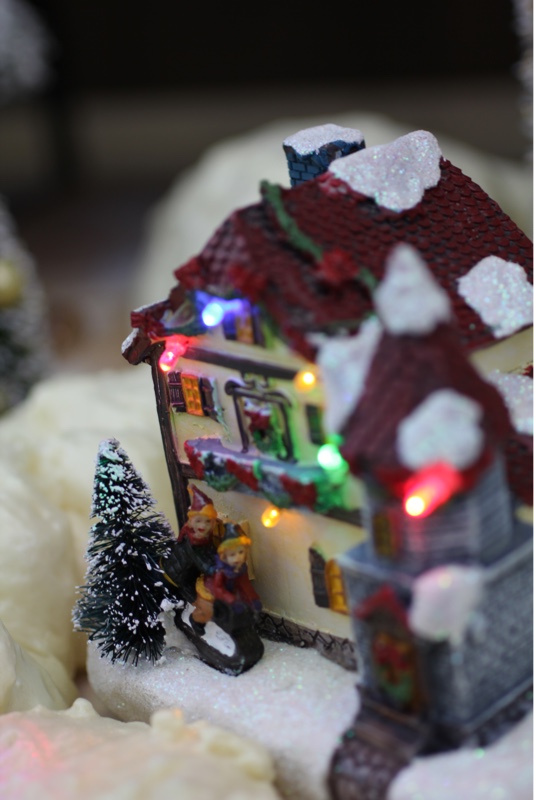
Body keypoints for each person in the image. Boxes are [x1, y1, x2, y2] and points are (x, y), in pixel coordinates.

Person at [161, 485, 223, 603]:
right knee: (200, 602)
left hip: (190, 572)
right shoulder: (191, 541)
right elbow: (203, 564)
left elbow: (210, 551)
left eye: (208, 521)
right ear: (191, 521)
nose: (203, 525)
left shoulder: (205, 536)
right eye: (198, 521)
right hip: (177, 578)